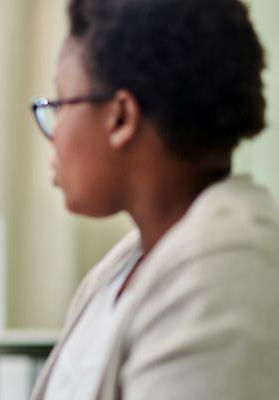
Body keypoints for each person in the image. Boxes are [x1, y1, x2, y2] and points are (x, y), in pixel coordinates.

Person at [28, 0, 279, 399]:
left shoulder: (224, 270)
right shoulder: (124, 265)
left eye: (59, 104)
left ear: (121, 118)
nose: (53, 135)